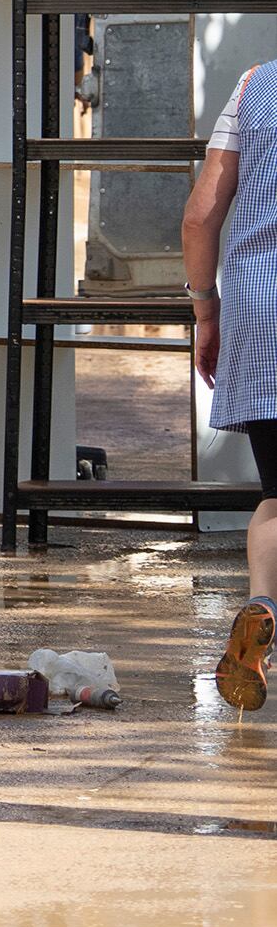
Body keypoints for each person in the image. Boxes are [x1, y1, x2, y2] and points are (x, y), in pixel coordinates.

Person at [182, 62, 277, 709]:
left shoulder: (253, 87)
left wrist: (205, 308)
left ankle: (264, 603)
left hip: (261, 304)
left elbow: (199, 217)